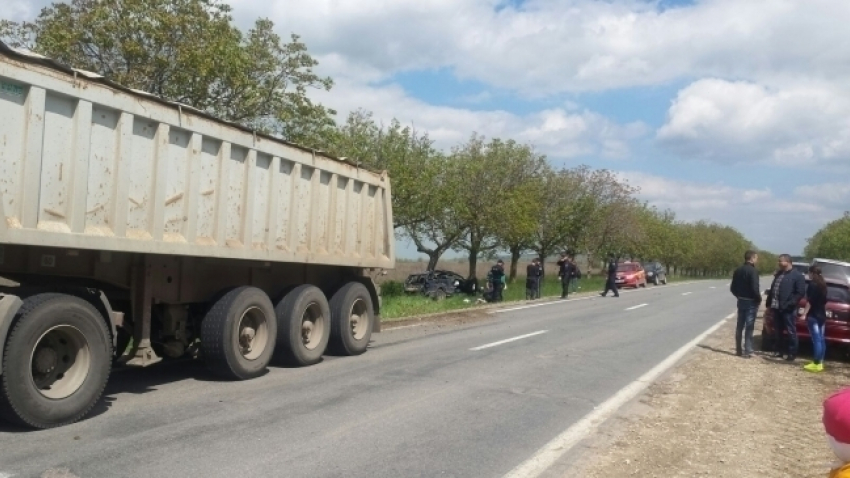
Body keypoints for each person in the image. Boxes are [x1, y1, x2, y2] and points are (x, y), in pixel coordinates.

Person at [766, 254, 807, 361]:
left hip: (788, 309)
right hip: (776, 307)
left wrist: (790, 303)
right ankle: (779, 351)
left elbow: (800, 292)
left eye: (781, 261)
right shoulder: (779, 274)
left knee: (791, 331)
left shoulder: (797, 275)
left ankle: (792, 353)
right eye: (778, 261)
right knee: (778, 330)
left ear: (788, 262)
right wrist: (769, 304)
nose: (779, 263)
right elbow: (773, 289)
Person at [730, 250, 761, 358]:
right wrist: (758, 299)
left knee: (739, 325)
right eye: (756, 258)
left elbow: (732, 288)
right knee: (749, 326)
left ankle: (738, 349)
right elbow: (755, 288)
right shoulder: (753, 271)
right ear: (752, 258)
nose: (757, 260)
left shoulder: (738, 270)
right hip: (751, 301)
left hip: (741, 300)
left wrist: (738, 295)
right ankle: (748, 350)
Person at [804, 265, 829, 372]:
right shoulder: (823, 285)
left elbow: (810, 301)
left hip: (813, 315)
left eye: (809, 272)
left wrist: (804, 314)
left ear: (812, 273)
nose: (808, 274)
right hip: (822, 315)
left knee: (816, 339)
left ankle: (816, 362)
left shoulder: (812, 285)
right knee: (821, 339)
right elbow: (824, 301)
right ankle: (821, 362)